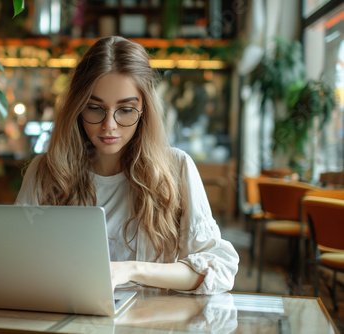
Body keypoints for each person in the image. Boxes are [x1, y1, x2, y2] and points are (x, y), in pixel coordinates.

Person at [15, 36, 239, 294]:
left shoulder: (176, 168)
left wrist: (129, 270)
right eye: (95, 108)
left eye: (126, 110)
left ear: (144, 110)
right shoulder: (46, 171)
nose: (108, 125)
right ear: (77, 108)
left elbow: (219, 268)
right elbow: (15, 260)